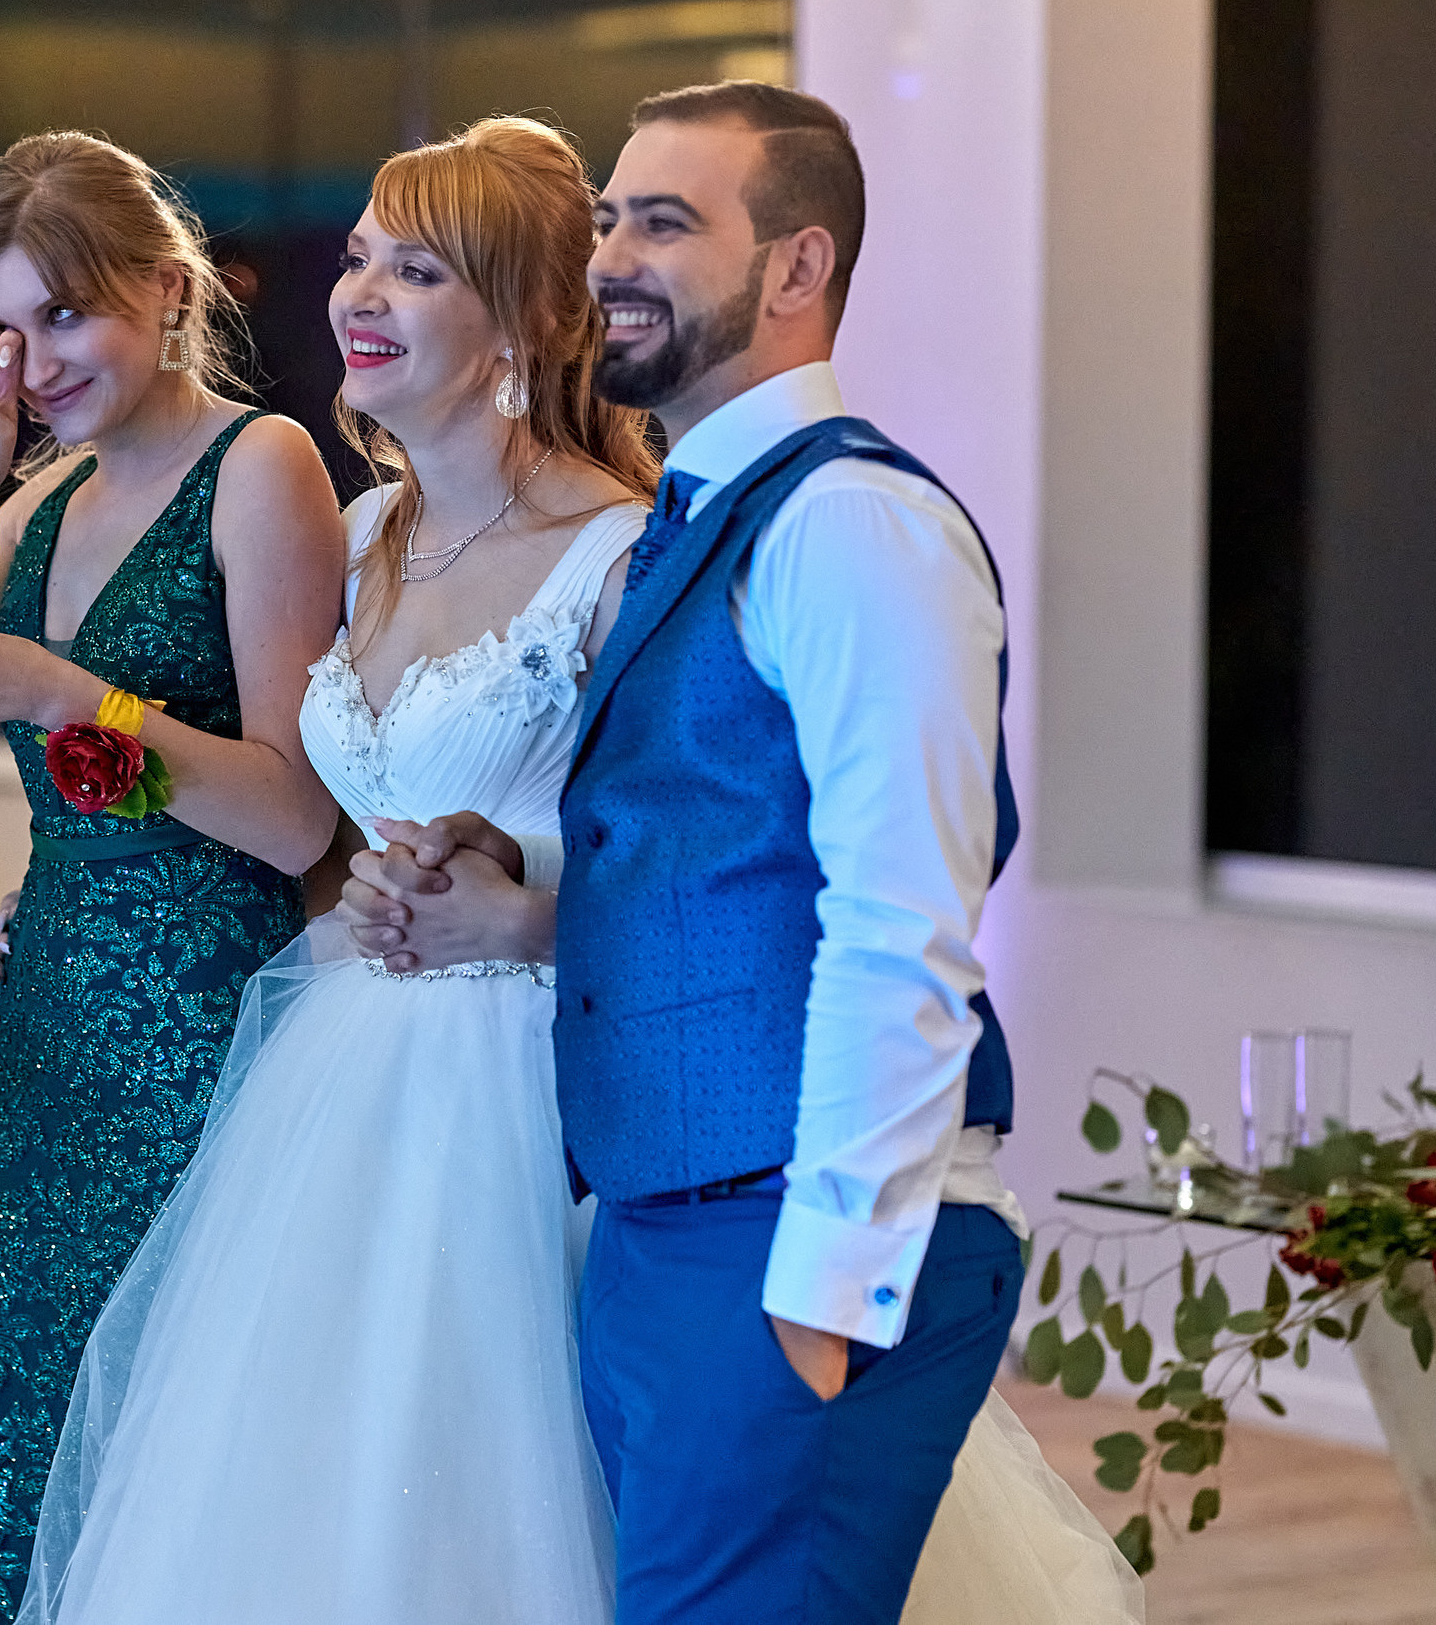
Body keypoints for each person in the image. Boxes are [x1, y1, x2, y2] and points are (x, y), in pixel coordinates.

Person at [346, 83, 1114, 1622]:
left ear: (794, 270)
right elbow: (736, 860)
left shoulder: (852, 524)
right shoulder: (704, 512)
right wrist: (533, 893)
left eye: (668, 223)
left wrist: (819, 1302)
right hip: (663, 1226)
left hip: (783, 1241)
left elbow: (903, 920)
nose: (612, 257)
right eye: (612, 217)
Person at [15, 115, 655, 1623]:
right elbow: (309, 819)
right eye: (360, 256)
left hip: (531, 1090)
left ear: (524, 322)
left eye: (416, 269)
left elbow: (686, 860)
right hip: (348, 1073)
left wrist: (529, 897)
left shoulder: (620, 554)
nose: (358, 294)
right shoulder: (362, 535)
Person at [0, 131, 346, 1625]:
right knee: (52, 1426)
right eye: (3, 328)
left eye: (68, 315)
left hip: (211, 1024)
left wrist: (57, 691)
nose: (35, 362)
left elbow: (301, 816)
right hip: (56, 1036)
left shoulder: (263, 466)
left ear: (166, 292)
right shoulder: (30, 505)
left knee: (194, 1424)